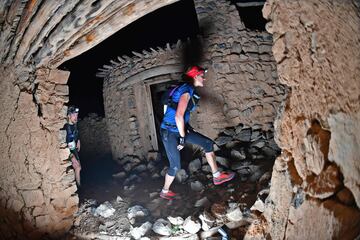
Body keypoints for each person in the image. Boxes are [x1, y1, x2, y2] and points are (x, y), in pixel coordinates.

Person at [159, 66, 235, 200]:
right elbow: (178, 116)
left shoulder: (188, 89)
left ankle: (217, 176)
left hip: (180, 128)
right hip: (169, 132)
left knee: (207, 143)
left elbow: (177, 113)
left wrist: (186, 129)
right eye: (201, 75)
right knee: (175, 166)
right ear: (194, 77)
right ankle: (165, 191)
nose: (203, 78)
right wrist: (182, 138)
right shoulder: (186, 90)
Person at [65, 106, 82, 187]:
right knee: (77, 167)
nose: (76, 117)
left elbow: (76, 133)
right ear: (69, 116)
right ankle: (78, 187)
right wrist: (71, 155)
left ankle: (78, 186)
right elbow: (65, 143)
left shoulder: (74, 124)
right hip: (68, 151)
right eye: (74, 115)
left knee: (79, 167)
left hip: (73, 149)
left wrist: (78, 140)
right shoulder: (66, 127)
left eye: (77, 115)